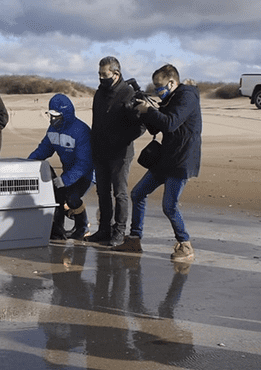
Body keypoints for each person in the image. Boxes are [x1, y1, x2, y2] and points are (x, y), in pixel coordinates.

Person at [115, 64, 202, 263]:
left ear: (172, 82)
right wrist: (143, 111)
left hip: (182, 160)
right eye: (155, 87)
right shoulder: (171, 97)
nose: (157, 90)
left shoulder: (187, 96)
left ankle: (185, 244)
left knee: (169, 206)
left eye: (159, 86)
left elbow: (171, 123)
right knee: (138, 193)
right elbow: (158, 128)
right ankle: (134, 239)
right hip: (166, 158)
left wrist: (150, 110)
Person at [88, 56, 145, 246]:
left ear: (116, 73)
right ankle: (104, 229)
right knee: (102, 192)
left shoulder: (128, 94)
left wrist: (121, 140)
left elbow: (140, 127)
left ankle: (119, 231)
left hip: (120, 154)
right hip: (100, 152)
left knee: (119, 193)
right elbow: (96, 123)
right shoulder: (99, 94)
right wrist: (94, 146)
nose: (101, 78)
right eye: (99, 74)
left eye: (104, 75)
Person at [28, 94, 94, 241]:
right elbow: (44, 149)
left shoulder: (81, 131)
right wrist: (28, 163)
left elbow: (85, 163)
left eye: (56, 116)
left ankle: (83, 227)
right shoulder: (52, 130)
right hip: (68, 171)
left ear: (66, 115)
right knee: (57, 197)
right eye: (50, 116)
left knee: (72, 197)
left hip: (86, 173)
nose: (52, 120)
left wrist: (65, 180)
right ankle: (57, 230)